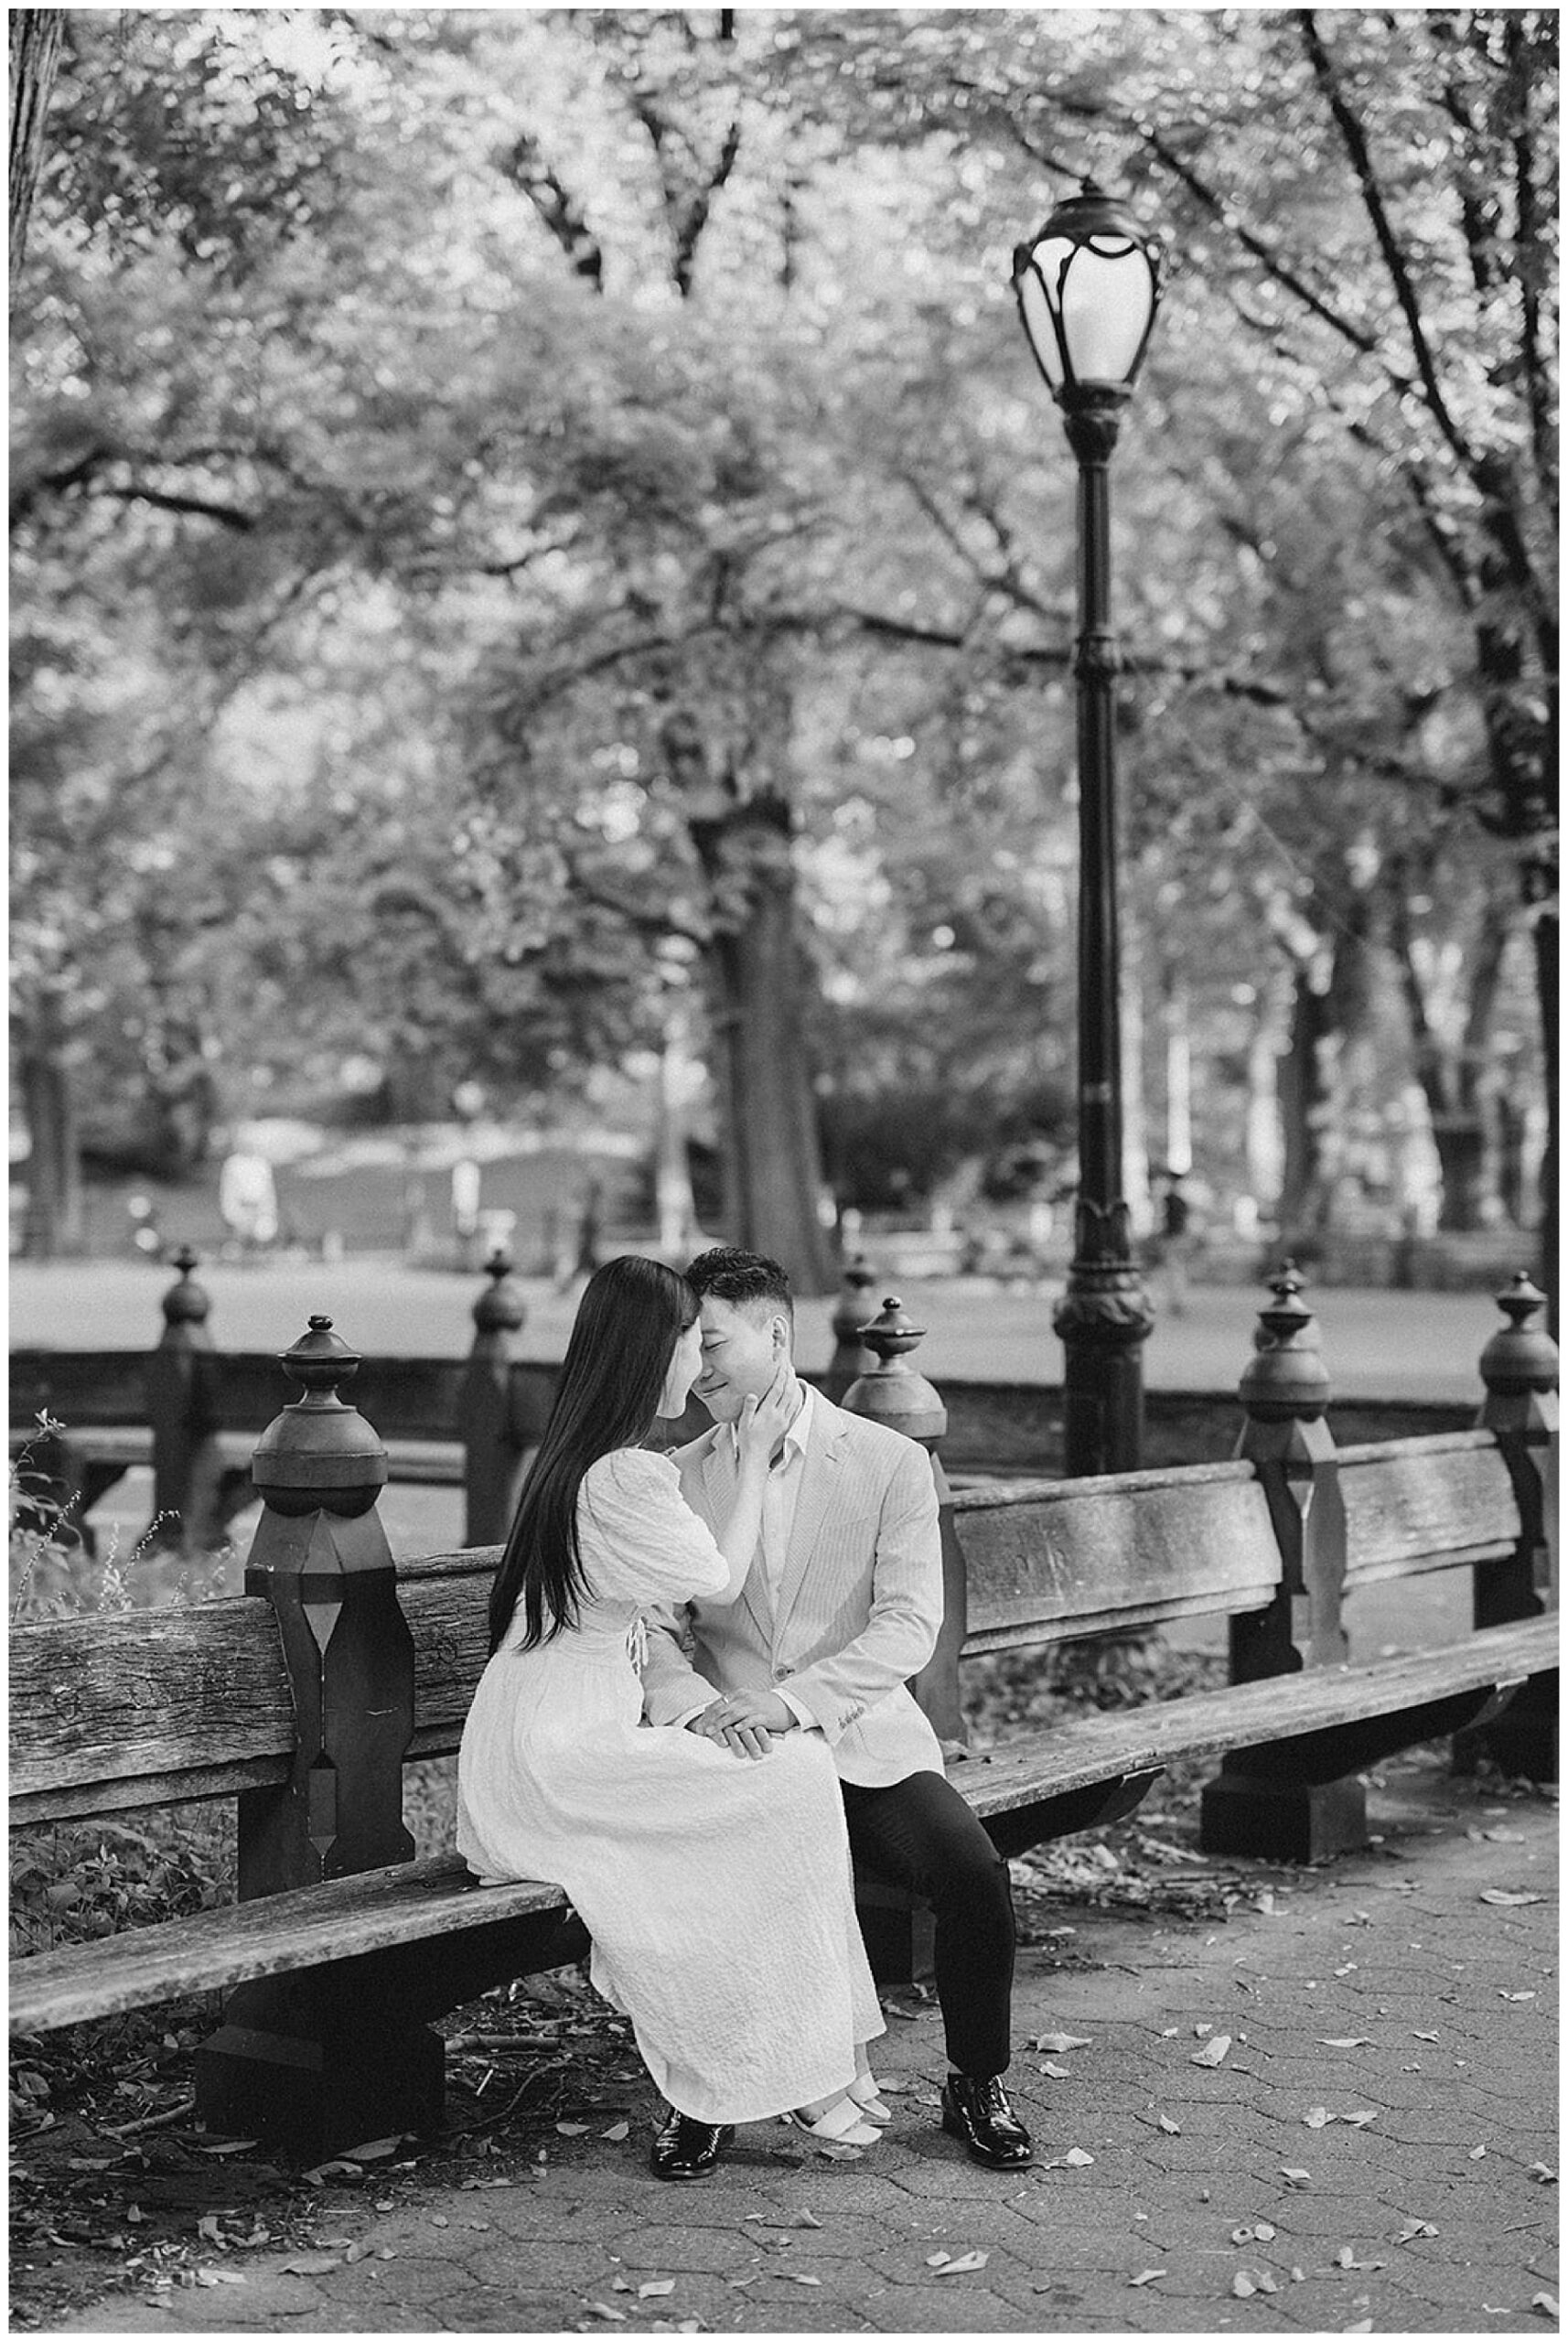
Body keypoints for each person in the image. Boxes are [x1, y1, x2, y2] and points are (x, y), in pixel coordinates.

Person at [456, 1254, 887, 2183]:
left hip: (546, 1733)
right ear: (649, 1350)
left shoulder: (583, 1459)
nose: (698, 1367)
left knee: (788, 1784)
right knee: (791, 1785)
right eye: (691, 1343)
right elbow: (719, 1580)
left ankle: (819, 2058)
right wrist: (764, 1470)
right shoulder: (624, 1477)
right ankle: (795, 2070)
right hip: (561, 1752)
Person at [642, 1247, 1034, 2171]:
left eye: (712, 1343)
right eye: (685, 1347)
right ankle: (707, 2096)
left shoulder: (887, 1462)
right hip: (732, 1749)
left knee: (973, 1876)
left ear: (775, 1334)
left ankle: (975, 2080)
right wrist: (704, 1711)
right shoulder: (679, 1471)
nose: (695, 1368)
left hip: (861, 1740)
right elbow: (655, 1628)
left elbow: (909, 1626)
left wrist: (793, 1704)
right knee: (704, 1886)